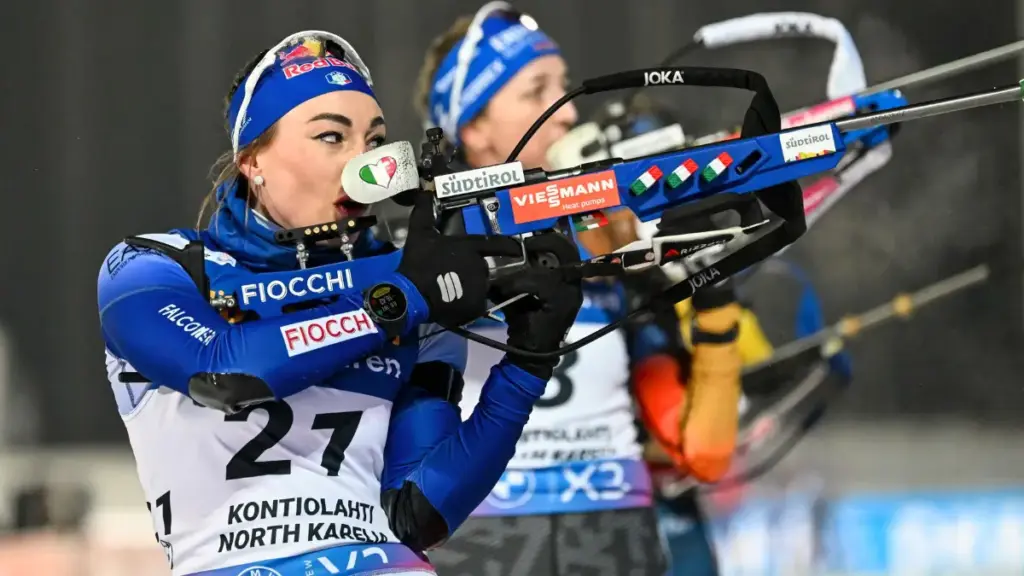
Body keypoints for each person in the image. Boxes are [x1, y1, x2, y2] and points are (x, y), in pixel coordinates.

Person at [96, 30, 583, 576]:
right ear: (253, 159)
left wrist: (527, 364)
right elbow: (225, 371)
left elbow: (414, 516)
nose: (363, 165)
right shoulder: (153, 266)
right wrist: (398, 300)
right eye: (332, 137)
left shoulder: (410, 282)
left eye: (375, 142)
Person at [413, 5, 768, 575]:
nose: (567, 112)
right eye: (537, 93)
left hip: (614, 535)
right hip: (477, 540)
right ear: (472, 128)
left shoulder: (604, 240)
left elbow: (702, 449)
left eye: (563, 88)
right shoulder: (419, 251)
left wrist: (711, 291)